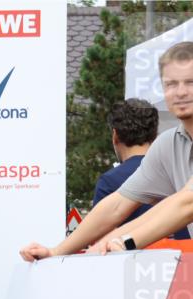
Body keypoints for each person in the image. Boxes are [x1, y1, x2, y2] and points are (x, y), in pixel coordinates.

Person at [21, 42, 193, 259]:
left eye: (190, 82)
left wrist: (126, 242)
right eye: (170, 84)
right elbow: (117, 205)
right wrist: (58, 251)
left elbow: (187, 204)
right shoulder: (169, 144)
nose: (181, 92)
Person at [91, 99, 159, 226]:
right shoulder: (173, 172)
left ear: (115, 136)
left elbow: (96, 235)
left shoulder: (109, 182)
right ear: (154, 135)